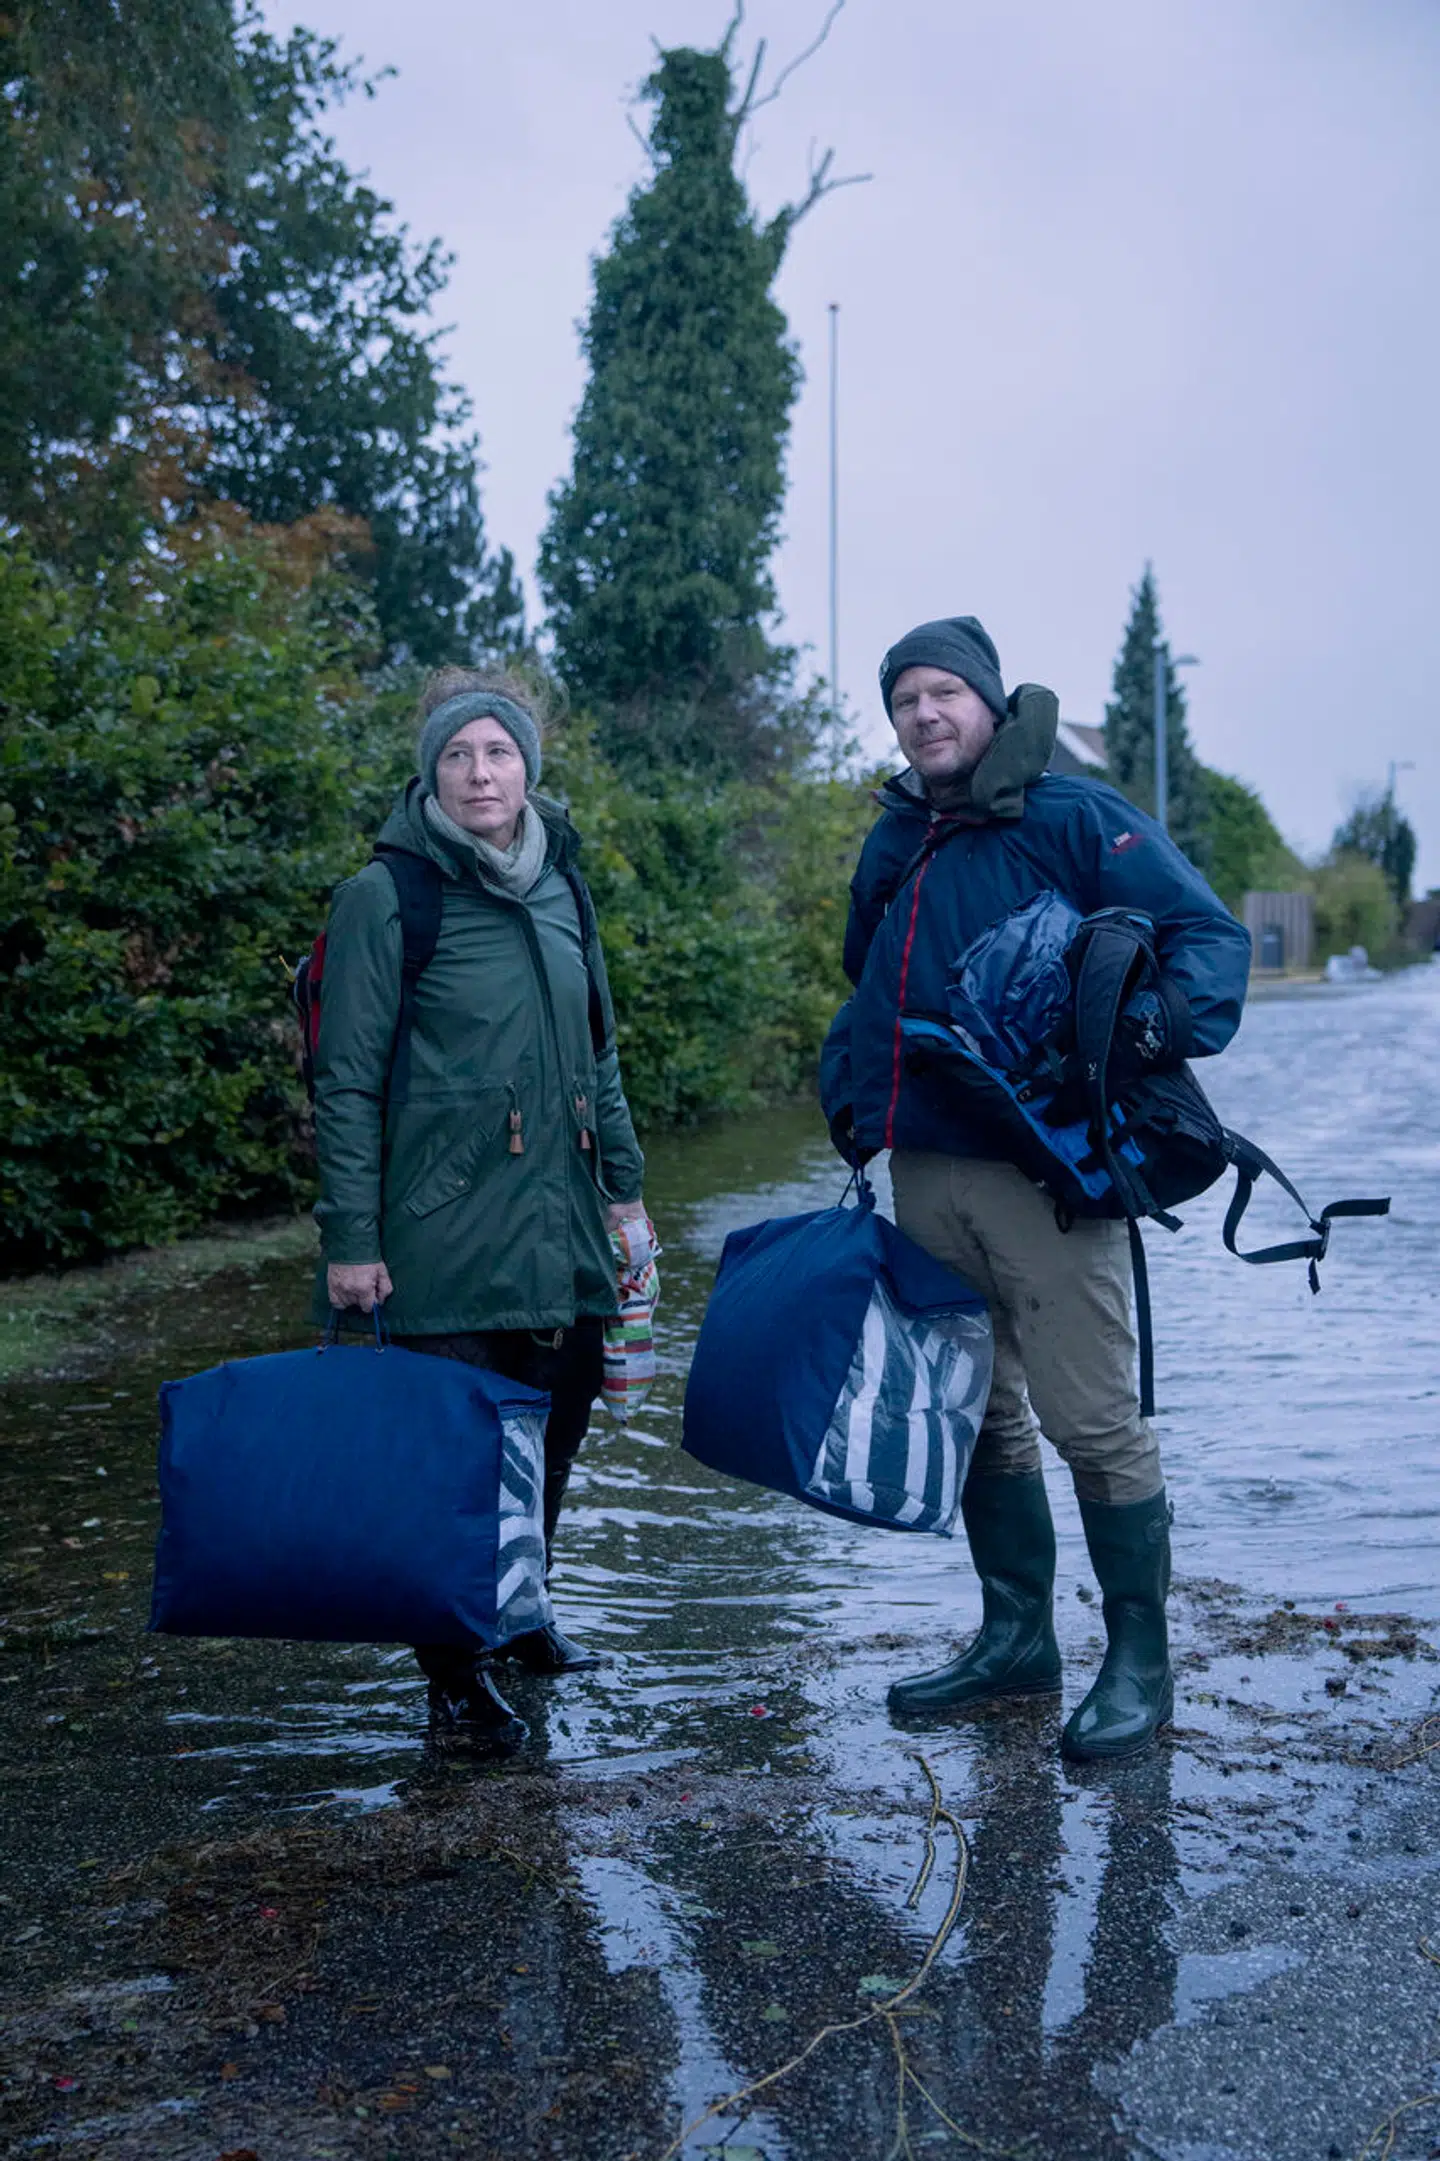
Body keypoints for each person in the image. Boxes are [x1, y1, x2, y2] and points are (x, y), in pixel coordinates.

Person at [820, 616, 1251, 1761]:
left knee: (1093, 1420)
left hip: (1051, 1170)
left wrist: (1141, 1033)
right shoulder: (895, 838)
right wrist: (847, 1081)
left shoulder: (1074, 816)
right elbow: (867, 980)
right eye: (905, 698)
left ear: (989, 701)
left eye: (944, 693)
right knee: (976, 1412)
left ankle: (1141, 1660)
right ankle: (1017, 1640)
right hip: (927, 1171)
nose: (925, 714)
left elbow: (1210, 940)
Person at [312, 669, 647, 1753]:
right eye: (457, 755)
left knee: (556, 1422)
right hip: (439, 1229)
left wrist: (626, 1190)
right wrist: (352, 1241)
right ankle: (453, 1676)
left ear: (527, 768)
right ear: (432, 774)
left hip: (562, 1222)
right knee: (453, 1457)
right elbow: (345, 1082)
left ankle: (522, 1609)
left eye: (498, 752)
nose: (479, 773)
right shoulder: (387, 897)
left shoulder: (563, 885)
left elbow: (599, 1054)